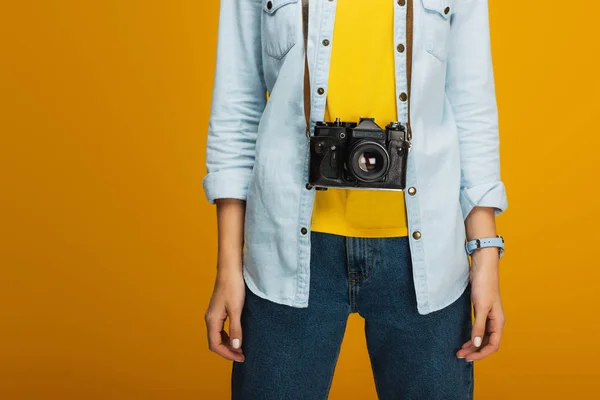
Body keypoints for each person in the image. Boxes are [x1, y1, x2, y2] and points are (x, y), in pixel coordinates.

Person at [203, 0, 508, 398]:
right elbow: (237, 109)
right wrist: (228, 263)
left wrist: (485, 255)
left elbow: (472, 108)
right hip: (288, 250)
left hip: (425, 257)